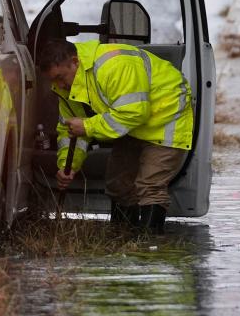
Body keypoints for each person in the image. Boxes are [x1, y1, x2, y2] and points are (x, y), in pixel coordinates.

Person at [39, 38, 194, 231]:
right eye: (53, 80)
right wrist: (67, 166)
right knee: (118, 184)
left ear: (75, 61)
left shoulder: (113, 65)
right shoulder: (68, 85)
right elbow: (70, 130)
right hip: (132, 125)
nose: (58, 85)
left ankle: (151, 250)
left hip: (166, 117)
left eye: (60, 77)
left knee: (150, 184)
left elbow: (135, 112)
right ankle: (123, 241)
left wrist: (87, 126)